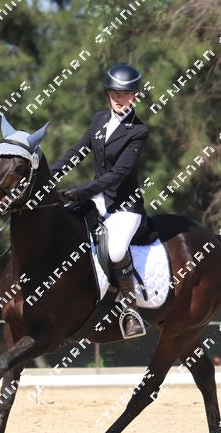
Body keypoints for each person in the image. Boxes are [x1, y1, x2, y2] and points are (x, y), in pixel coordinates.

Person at [51, 63, 150, 340]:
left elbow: (118, 174)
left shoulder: (138, 131)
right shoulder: (99, 120)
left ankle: (129, 308)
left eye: (125, 94)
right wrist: (50, 175)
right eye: (114, 93)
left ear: (135, 96)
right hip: (97, 201)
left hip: (125, 207)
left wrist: (82, 191)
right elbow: (76, 152)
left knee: (116, 250)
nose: (119, 99)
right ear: (107, 93)